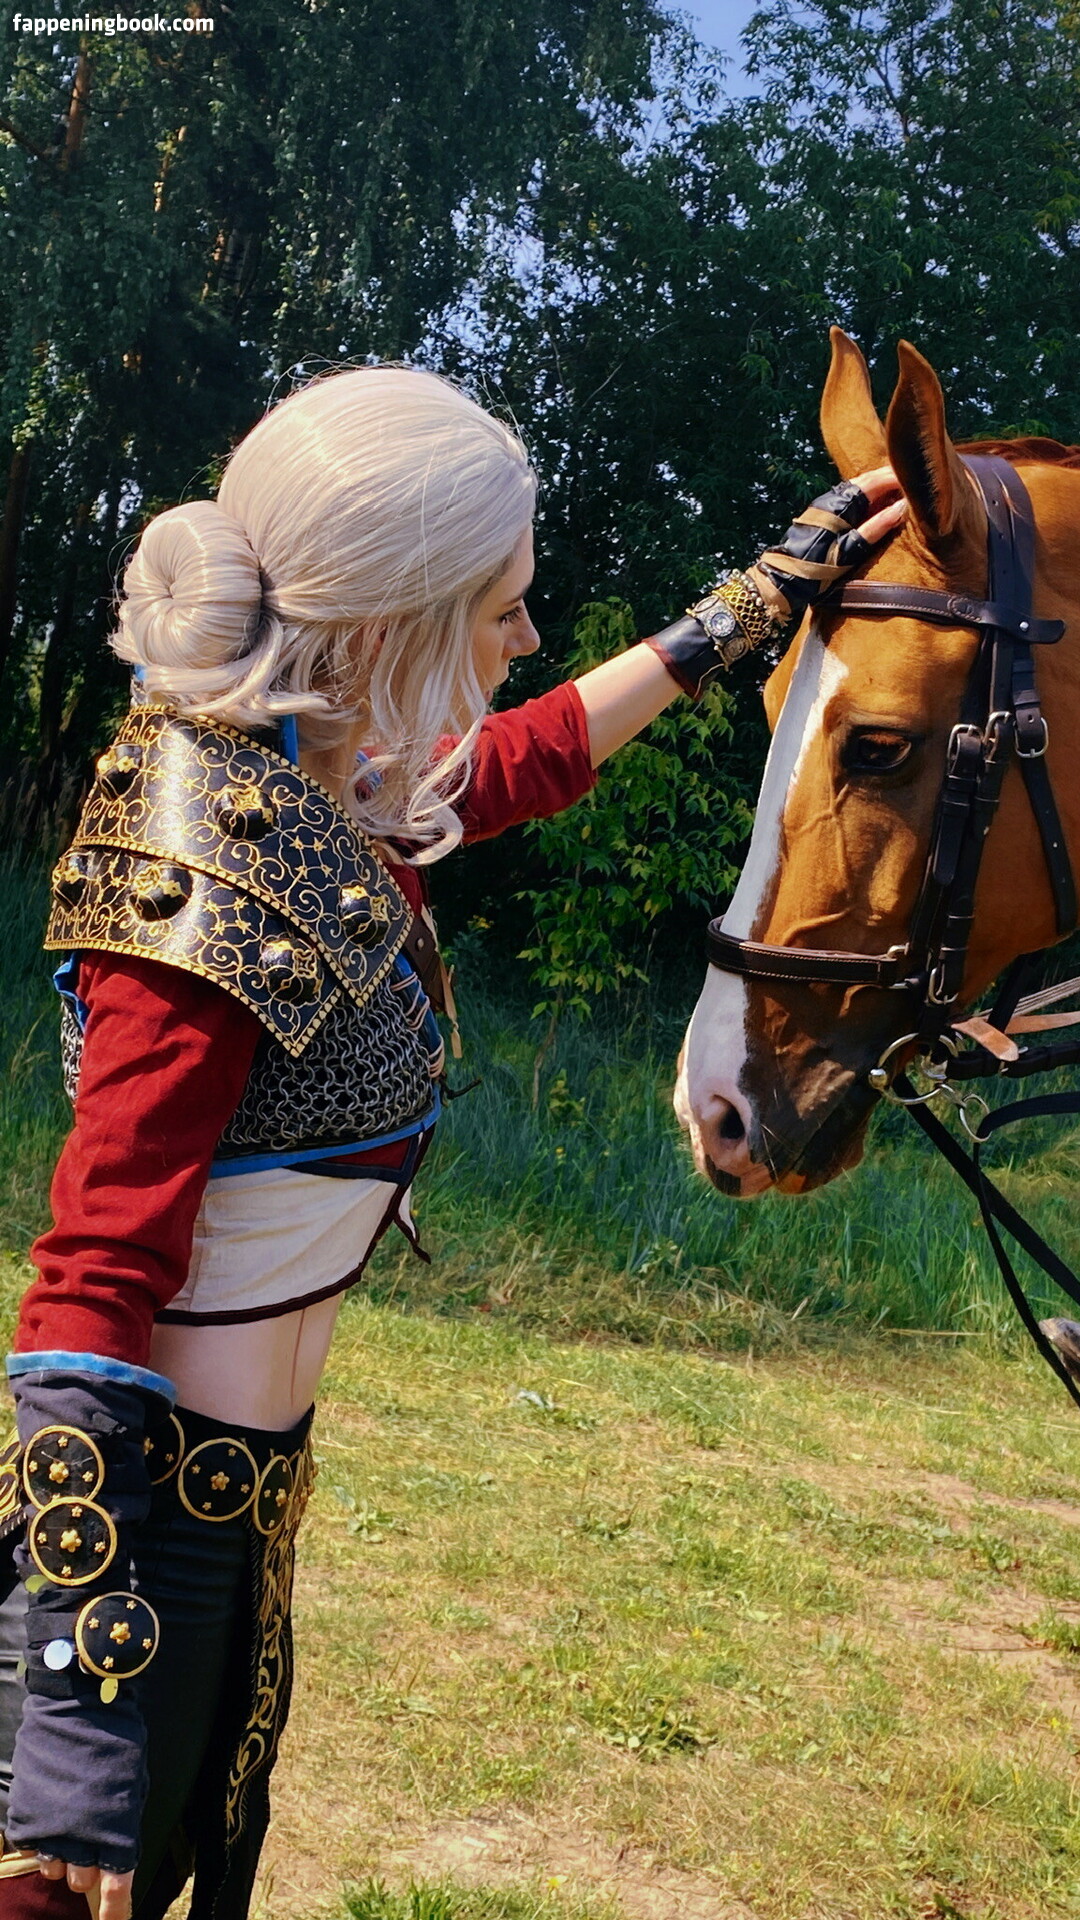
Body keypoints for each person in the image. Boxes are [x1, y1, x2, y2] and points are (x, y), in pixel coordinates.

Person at [0, 365, 904, 1920]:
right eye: (501, 609)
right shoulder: (199, 872)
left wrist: (742, 613)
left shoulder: (298, 776)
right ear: (388, 629)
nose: (528, 637)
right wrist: (72, 1707)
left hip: (240, 1505)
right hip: (141, 1549)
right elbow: (91, 1277)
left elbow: (505, 767)